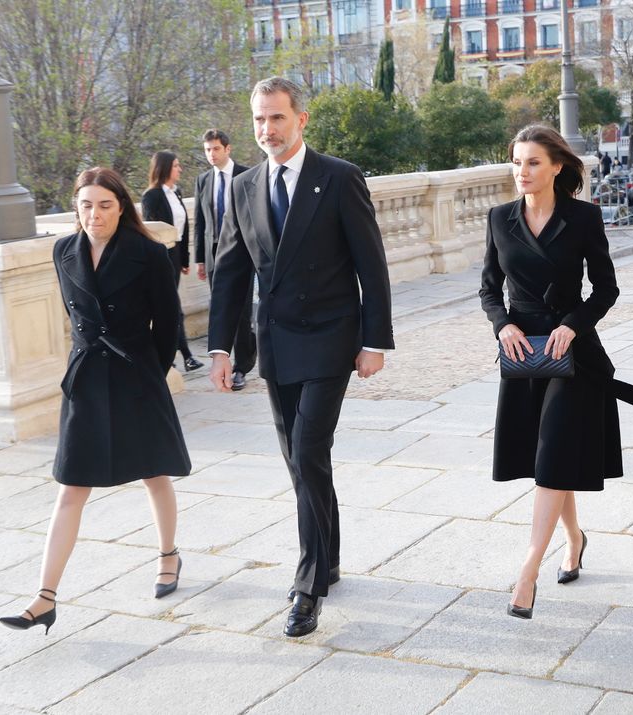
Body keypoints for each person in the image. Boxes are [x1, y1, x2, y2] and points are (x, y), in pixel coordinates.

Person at [207, 77, 394, 638]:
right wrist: (220, 347)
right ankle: (329, 556)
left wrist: (374, 341)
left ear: (301, 119)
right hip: (278, 342)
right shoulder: (243, 188)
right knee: (300, 458)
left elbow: (371, 263)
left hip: (332, 337)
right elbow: (230, 274)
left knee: (309, 447)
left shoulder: (338, 177)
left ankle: (309, 582)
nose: (267, 130)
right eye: (259, 120)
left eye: (278, 118)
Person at [0, 167, 191, 633]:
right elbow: (74, 315)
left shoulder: (147, 254)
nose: (94, 214)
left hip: (136, 377)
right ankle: (45, 598)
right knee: (70, 487)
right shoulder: (63, 249)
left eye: (104, 204)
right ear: (76, 208)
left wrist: (150, 371)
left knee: (153, 473)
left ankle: (169, 555)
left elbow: (169, 325)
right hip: (85, 379)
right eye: (85, 205)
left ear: (121, 207)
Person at [481, 124, 626, 620]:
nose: (522, 171)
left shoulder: (584, 218)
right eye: (517, 162)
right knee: (550, 461)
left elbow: (606, 290)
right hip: (523, 357)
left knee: (554, 452)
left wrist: (572, 325)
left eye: (533, 162)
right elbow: (487, 290)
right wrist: (503, 327)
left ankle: (528, 570)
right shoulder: (499, 218)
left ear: (557, 166)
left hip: (573, 356)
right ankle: (574, 538)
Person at [193, 129, 255, 390]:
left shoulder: (247, 175)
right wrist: (199, 259)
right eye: (207, 150)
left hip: (242, 251)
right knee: (221, 307)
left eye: (216, 149)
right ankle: (222, 358)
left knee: (242, 310)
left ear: (227, 149)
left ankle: (242, 366)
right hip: (213, 252)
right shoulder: (203, 180)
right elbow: (200, 221)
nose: (211, 154)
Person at [141, 151, 202, 372]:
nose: (180, 169)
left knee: (170, 306)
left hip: (175, 255)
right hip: (161, 256)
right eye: (176, 165)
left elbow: (183, 230)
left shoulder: (176, 193)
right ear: (165, 168)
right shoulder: (152, 196)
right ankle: (186, 355)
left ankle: (174, 354)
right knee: (171, 306)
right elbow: (153, 232)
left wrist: (184, 259)